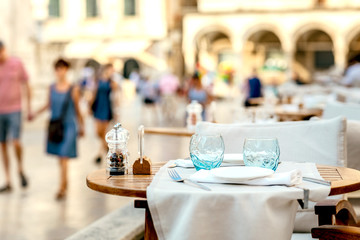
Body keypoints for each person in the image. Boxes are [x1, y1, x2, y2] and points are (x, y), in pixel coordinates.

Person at [32, 59, 84, 200]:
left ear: (66, 70)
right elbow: (48, 104)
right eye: (57, 69)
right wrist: (35, 113)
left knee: (64, 156)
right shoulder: (51, 87)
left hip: (68, 126)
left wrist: (82, 125)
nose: (59, 72)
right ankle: (64, 182)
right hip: (55, 126)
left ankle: (62, 187)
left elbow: (77, 109)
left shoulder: (74, 88)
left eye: (62, 68)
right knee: (60, 159)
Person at [0, 41, 32, 192]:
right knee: (3, 145)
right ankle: (8, 180)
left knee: (16, 142)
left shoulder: (16, 63)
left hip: (15, 109)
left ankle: (20, 168)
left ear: (4, 50)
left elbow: (27, 84)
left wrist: (29, 107)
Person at [91, 63, 118, 164]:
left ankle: (99, 155)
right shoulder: (98, 80)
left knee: (104, 132)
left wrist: (116, 111)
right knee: (98, 132)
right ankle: (107, 148)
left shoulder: (112, 82)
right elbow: (94, 93)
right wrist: (90, 106)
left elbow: (115, 97)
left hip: (107, 108)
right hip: (98, 107)